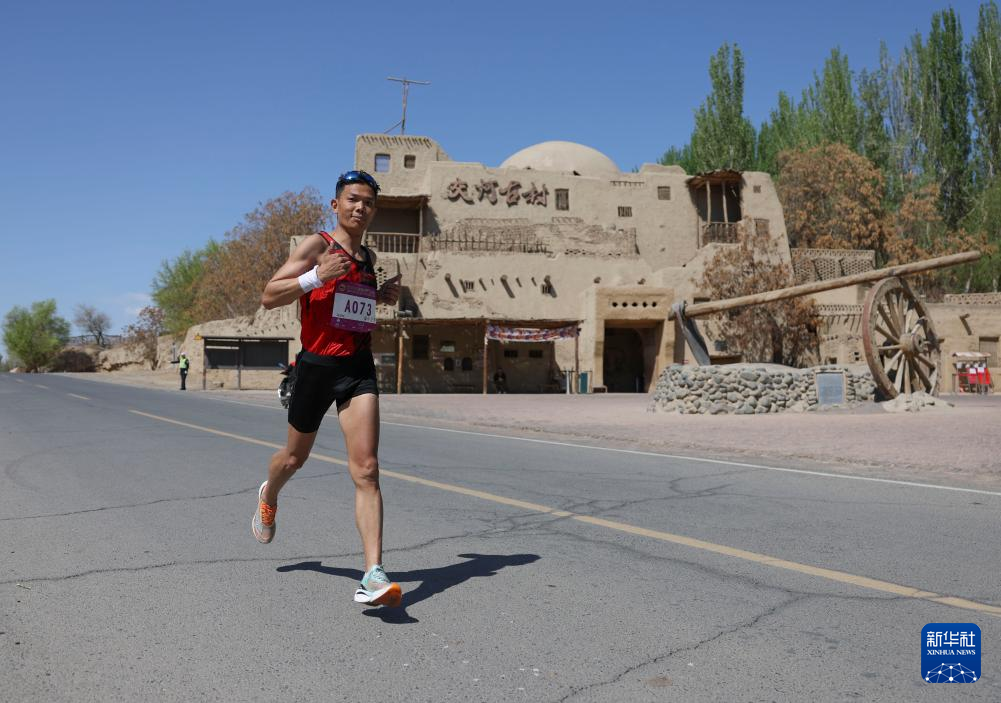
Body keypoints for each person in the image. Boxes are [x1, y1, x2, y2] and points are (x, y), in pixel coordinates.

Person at [253, 170, 403, 608]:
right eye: (353, 199)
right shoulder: (316, 246)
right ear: (336, 205)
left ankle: (373, 574)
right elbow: (269, 295)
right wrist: (314, 276)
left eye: (368, 202)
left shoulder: (368, 258)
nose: (361, 207)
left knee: (367, 469)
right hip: (316, 367)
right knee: (293, 459)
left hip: (357, 367)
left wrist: (379, 297)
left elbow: (348, 305)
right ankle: (269, 493)